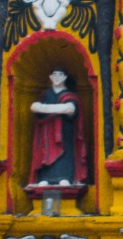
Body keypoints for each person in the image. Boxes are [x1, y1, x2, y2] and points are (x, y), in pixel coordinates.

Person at [27, 69, 89, 202]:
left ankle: (64, 176)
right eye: (54, 75)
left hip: (65, 131)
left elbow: (70, 109)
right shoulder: (45, 94)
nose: (57, 77)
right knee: (45, 152)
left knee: (64, 152)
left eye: (60, 74)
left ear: (65, 77)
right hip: (45, 132)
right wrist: (57, 109)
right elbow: (34, 107)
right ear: (50, 77)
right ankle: (45, 178)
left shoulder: (70, 95)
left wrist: (45, 108)